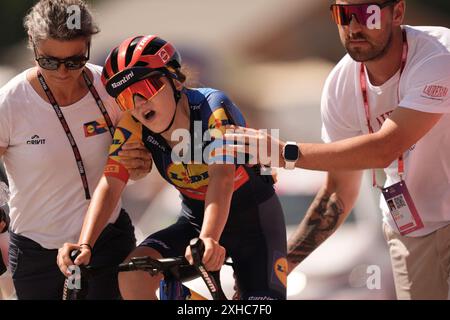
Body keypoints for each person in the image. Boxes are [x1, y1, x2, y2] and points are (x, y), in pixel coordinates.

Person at [222, 0, 450, 299]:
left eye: (366, 14)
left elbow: (386, 147)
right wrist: (277, 269)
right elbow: (337, 191)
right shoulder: (341, 86)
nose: (354, 26)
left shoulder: (439, 55)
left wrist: (285, 153)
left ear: (397, 13)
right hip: (410, 230)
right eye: (344, 15)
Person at [57, 35, 288, 300]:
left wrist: (210, 237)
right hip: (194, 223)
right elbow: (111, 184)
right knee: (133, 276)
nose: (139, 103)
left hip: (254, 223)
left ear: (175, 79)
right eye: (126, 98)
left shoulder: (213, 107)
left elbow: (222, 178)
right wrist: (85, 243)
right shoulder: (134, 126)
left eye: (146, 87)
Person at [0, 0, 152, 299]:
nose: (61, 72)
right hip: (37, 251)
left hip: (107, 241)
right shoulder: (10, 103)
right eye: (49, 61)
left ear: (88, 47)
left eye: (74, 61)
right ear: (33, 48)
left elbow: (133, 167)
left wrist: (140, 166)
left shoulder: (110, 89)